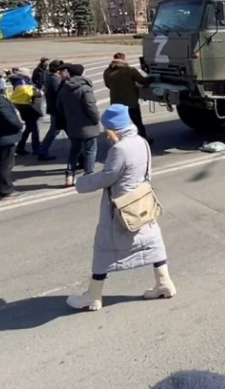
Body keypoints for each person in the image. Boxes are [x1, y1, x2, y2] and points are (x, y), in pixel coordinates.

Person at [67, 104, 176, 311]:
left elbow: (108, 177)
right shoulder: (141, 142)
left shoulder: (119, 149)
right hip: (142, 202)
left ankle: (93, 295)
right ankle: (164, 283)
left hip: (120, 207)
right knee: (152, 242)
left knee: (104, 249)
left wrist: (82, 183)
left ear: (113, 127)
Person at [56, 63, 101, 188]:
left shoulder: (64, 88)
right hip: (87, 125)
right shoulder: (85, 88)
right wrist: (96, 119)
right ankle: (89, 175)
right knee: (90, 150)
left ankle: (69, 176)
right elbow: (90, 106)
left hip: (72, 125)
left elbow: (59, 108)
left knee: (74, 151)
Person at [0, 70, 24, 200]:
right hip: (3, 136)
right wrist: (18, 126)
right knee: (5, 164)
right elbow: (8, 116)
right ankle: (6, 190)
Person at [103, 52, 153, 142]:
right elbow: (142, 81)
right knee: (138, 122)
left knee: (118, 124)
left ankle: (119, 140)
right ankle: (144, 139)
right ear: (124, 59)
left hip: (116, 103)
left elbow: (108, 85)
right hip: (131, 101)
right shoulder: (130, 70)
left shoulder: (107, 72)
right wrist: (153, 78)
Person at [9, 67, 44, 156]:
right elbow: (30, 92)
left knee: (28, 128)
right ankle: (36, 148)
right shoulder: (22, 82)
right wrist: (40, 92)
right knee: (35, 129)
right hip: (29, 107)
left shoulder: (16, 80)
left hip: (22, 107)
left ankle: (20, 146)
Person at [37, 59, 64, 161]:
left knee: (55, 131)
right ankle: (42, 151)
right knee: (54, 131)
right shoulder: (55, 80)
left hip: (55, 109)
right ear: (58, 70)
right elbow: (60, 95)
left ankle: (42, 151)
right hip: (57, 110)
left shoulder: (51, 78)